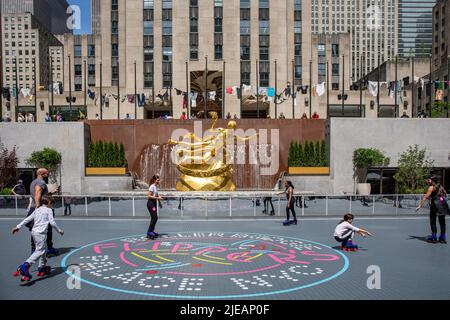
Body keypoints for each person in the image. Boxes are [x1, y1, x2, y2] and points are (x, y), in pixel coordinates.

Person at [12, 196, 64, 282]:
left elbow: (27, 219)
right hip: (41, 233)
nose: (52, 206)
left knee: (44, 249)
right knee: (40, 251)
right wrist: (60, 231)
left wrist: (18, 227)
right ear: (49, 203)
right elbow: (52, 222)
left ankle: (41, 267)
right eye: (52, 204)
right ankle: (25, 265)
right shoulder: (49, 210)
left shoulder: (37, 209)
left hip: (34, 232)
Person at [28, 168, 60, 256]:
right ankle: (47, 248)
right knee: (47, 229)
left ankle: (35, 249)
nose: (48, 174)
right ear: (42, 174)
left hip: (35, 208)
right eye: (47, 173)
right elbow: (37, 194)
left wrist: (51, 192)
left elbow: (41, 195)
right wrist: (39, 208)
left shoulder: (34, 182)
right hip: (41, 208)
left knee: (35, 228)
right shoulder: (41, 183)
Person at [416, 176, 449, 244]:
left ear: (433, 181)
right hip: (442, 204)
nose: (428, 181)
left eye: (429, 180)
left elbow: (425, 197)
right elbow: (445, 193)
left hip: (435, 205)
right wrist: (440, 197)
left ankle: (434, 238)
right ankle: (443, 238)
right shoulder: (440, 186)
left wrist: (419, 206)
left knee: (433, 221)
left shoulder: (431, 187)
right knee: (442, 222)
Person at [147, 175, 163, 240]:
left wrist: (159, 203)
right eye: (158, 180)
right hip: (151, 203)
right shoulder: (152, 186)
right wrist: (157, 198)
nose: (159, 181)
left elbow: (157, 194)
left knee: (155, 218)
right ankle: (149, 232)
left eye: (159, 180)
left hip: (154, 203)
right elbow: (148, 196)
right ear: (154, 180)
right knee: (154, 217)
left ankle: (151, 230)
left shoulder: (155, 187)